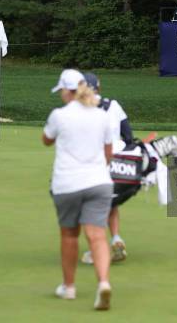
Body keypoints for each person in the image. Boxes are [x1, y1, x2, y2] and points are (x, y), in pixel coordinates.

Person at [42, 69, 114, 311]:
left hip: (68, 184)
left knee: (70, 235)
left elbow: (46, 139)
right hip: (99, 182)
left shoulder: (59, 115)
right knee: (97, 236)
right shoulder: (102, 115)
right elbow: (108, 152)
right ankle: (103, 283)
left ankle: (69, 287)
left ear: (66, 90)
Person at [80, 72, 133, 264]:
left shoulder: (79, 109)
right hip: (119, 162)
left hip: (94, 163)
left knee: (92, 205)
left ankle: (97, 250)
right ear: (99, 88)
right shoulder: (114, 105)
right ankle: (116, 238)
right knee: (111, 201)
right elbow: (128, 136)